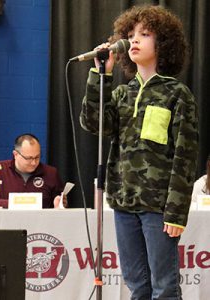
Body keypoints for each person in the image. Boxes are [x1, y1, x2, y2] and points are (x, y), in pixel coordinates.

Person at [80, 5, 198, 300]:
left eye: (144, 35)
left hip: (158, 208)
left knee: (164, 286)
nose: (134, 40)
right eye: (130, 35)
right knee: (136, 284)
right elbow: (93, 123)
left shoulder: (177, 94)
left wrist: (176, 212)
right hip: (123, 203)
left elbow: (185, 156)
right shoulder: (121, 93)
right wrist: (99, 75)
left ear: (163, 44)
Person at [0, 133, 67, 208]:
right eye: (29, 158)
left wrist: (59, 206)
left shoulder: (51, 173)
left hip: (41, 220)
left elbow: (59, 208)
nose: (34, 163)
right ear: (15, 155)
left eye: (37, 157)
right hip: (5, 219)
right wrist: (15, 204)